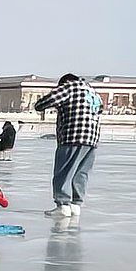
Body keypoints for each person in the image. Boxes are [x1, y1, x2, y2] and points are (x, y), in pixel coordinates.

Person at [33, 74, 101, 217]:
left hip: (73, 135)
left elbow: (44, 103)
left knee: (64, 171)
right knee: (81, 173)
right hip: (92, 139)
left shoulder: (70, 87)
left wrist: (40, 105)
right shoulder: (92, 91)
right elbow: (100, 109)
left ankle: (63, 205)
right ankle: (76, 204)